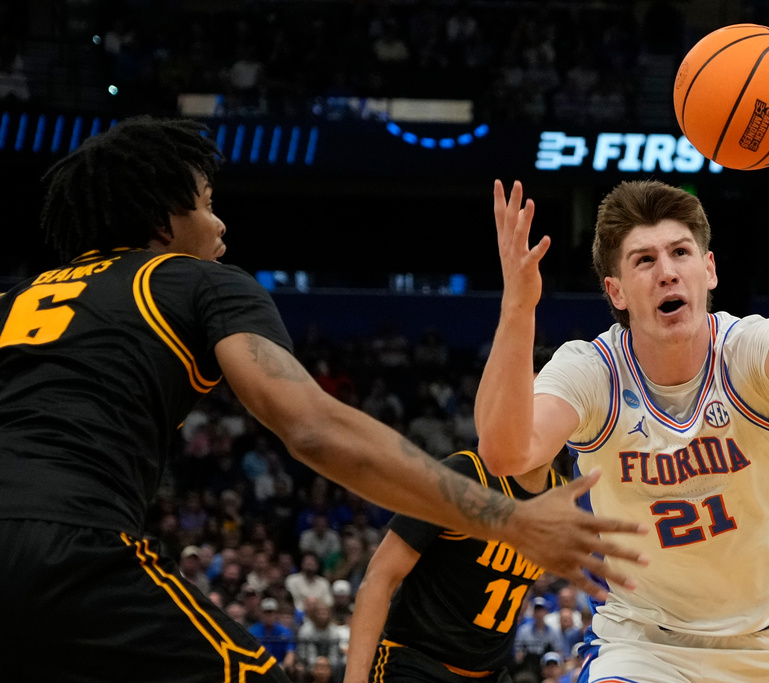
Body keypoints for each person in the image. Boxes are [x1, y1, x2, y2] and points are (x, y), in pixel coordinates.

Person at [0, 116, 643, 682]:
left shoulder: (16, 302)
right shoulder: (196, 281)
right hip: (69, 544)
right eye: (206, 203)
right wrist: (505, 518)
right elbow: (312, 429)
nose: (220, 222)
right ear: (163, 221)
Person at [475, 147, 769, 682]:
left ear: (709, 269)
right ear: (617, 291)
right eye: (644, 260)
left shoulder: (744, 350)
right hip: (643, 641)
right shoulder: (590, 371)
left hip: (767, 646)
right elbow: (506, 452)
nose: (667, 272)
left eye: (680, 253)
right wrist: (516, 310)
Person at [344, 449, 566, 683]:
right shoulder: (464, 475)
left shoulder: (562, 498)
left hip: (491, 672)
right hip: (418, 665)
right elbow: (380, 576)